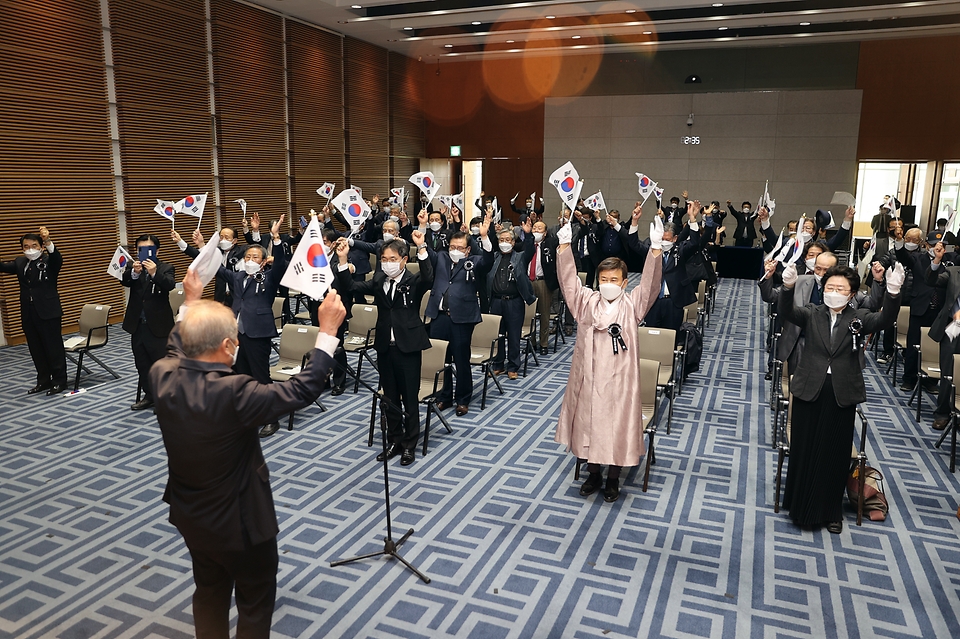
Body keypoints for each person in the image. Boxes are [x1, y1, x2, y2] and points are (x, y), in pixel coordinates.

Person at [152, 267, 345, 639]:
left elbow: (177, 345)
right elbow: (300, 392)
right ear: (227, 347)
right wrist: (328, 333)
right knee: (254, 605)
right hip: (241, 524)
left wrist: (191, 302)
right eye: (235, 339)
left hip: (191, 514)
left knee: (209, 591)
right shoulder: (235, 392)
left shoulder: (162, 375)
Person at [778, 261, 902, 533]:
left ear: (851, 293)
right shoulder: (812, 313)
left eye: (840, 288)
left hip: (842, 391)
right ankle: (798, 504)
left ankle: (832, 511)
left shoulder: (858, 317)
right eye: (830, 287)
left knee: (835, 452)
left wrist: (892, 293)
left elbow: (885, 320)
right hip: (810, 387)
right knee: (805, 447)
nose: (834, 291)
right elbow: (786, 310)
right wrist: (787, 288)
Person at [553, 207, 663, 503]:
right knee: (590, 425)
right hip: (589, 377)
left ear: (624, 282)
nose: (609, 284)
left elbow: (651, 287)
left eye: (615, 280)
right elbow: (569, 283)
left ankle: (613, 479)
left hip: (620, 381)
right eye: (604, 279)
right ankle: (593, 474)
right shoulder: (587, 302)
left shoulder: (632, 305)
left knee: (614, 427)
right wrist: (564, 249)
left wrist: (655, 251)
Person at [336, 232, 433, 465]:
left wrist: (421, 248)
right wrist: (342, 260)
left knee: (410, 397)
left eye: (392, 259)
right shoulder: (379, 280)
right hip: (384, 347)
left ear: (403, 259)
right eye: (384, 259)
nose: (387, 263)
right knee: (389, 397)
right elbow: (350, 285)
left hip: (408, 346)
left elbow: (429, 277)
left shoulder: (413, 281)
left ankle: (410, 444)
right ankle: (395, 440)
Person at [195, 216, 288, 438]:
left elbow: (281, 265)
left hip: (257, 334)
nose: (249, 259)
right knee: (241, 376)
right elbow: (216, 266)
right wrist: (201, 247)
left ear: (263, 260)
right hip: (236, 335)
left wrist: (275, 238)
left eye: (254, 257)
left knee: (261, 377)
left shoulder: (269, 277)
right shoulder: (237, 277)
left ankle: (270, 419)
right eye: (247, 256)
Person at [425, 221, 495, 416]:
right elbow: (427, 251)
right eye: (452, 247)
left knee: (461, 359)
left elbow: (488, 261)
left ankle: (463, 399)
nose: (455, 250)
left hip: (462, 318)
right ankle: (444, 396)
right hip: (439, 317)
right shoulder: (441, 257)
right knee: (442, 359)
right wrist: (422, 228)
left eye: (459, 248)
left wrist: (484, 237)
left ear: (467, 249)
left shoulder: (474, 261)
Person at [0, 227, 67, 395]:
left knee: (53, 348)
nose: (30, 249)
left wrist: (49, 240)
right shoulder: (20, 262)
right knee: (36, 349)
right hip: (29, 313)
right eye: (26, 246)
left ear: (41, 247)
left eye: (34, 246)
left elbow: (57, 259)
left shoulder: (49, 261)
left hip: (48, 312)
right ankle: (44, 381)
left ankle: (60, 381)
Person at [627, 201, 701, 330]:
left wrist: (692, 218)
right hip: (653, 300)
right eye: (661, 239)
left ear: (674, 239)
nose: (663, 242)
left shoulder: (680, 251)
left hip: (673, 301)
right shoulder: (651, 251)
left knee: (671, 334)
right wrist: (634, 221)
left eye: (667, 240)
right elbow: (633, 244)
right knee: (650, 333)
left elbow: (694, 243)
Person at [122, 234, 175, 411]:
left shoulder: (166, 267)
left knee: (161, 364)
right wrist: (134, 274)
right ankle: (149, 395)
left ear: (157, 251)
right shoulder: (133, 266)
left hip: (159, 324)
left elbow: (169, 285)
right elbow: (124, 280)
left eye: (148, 249)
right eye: (140, 249)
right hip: (137, 323)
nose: (144, 253)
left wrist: (154, 273)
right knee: (142, 363)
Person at [484, 218, 536, 380]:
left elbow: (530, 251)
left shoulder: (520, 257)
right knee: (497, 335)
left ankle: (513, 366)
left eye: (507, 240)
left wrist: (528, 235)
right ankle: (499, 364)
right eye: (501, 240)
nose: (504, 242)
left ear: (513, 242)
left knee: (514, 335)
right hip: (496, 301)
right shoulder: (493, 257)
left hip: (514, 301)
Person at [173, 226, 246, 307]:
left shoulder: (241, 253)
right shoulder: (217, 251)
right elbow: (200, 256)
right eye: (221, 237)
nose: (223, 240)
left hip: (236, 296)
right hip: (220, 296)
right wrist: (180, 241)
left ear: (234, 240)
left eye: (227, 237)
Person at [527, 220, 560, 355]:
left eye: (539, 229)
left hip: (543, 282)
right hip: (528, 282)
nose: (536, 230)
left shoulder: (550, 244)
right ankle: (532, 343)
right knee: (530, 315)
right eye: (534, 228)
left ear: (545, 233)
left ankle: (544, 343)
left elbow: (560, 241)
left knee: (544, 314)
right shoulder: (527, 244)